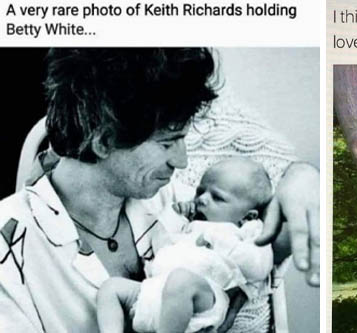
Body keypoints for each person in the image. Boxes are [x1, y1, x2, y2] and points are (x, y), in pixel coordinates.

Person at [0, 48, 319, 333]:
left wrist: (301, 177)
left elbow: (274, 235)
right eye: (167, 143)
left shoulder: (180, 201)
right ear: (103, 141)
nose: (182, 161)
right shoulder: (10, 247)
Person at [97, 157, 275, 333]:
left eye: (217, 198)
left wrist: (218, 238)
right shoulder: (188, 224)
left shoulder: (246, 232)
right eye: (200, 191)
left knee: (181, 280)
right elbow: (159, 246)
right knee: (110, 288)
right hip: (153, 293)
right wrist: (174, 216)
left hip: (203, 301)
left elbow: (258, 268)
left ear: (248, 216)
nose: (202, 199)